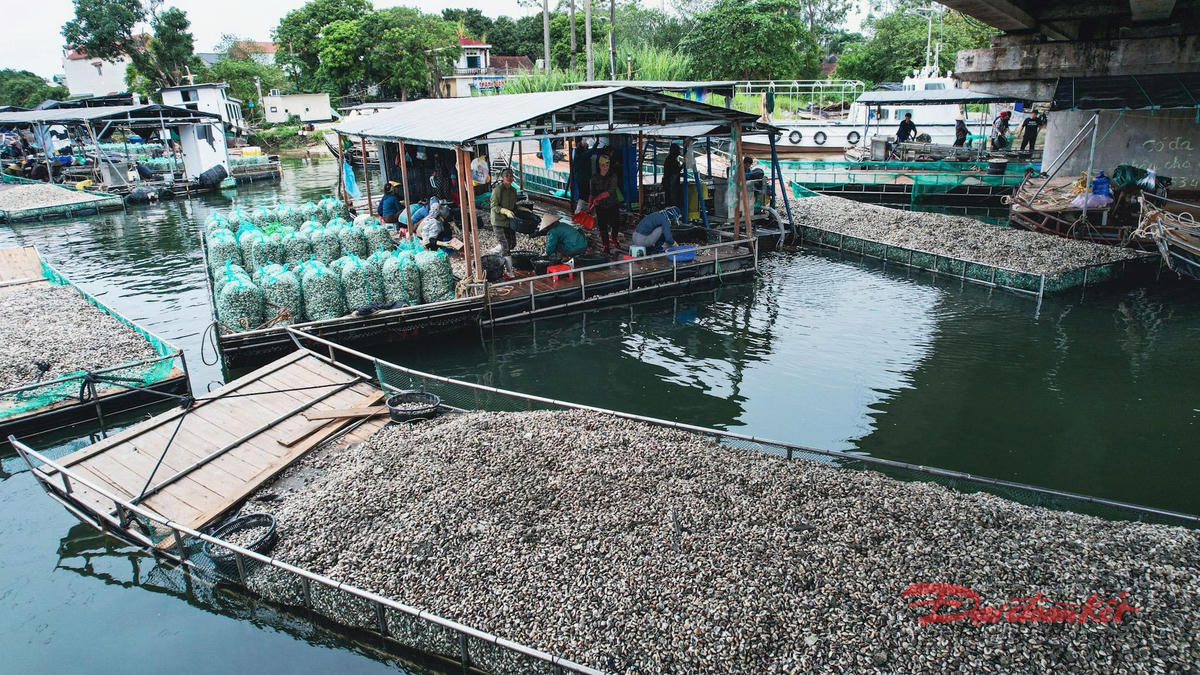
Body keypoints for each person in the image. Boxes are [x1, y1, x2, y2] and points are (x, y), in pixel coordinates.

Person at [587, 154, 622, 253]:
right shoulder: (594, 178)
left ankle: (614, 238)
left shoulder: (613, 176)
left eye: (607, 165)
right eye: (603, 165)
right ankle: (605, 245)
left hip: (612, 203)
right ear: (599, 165)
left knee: (615, 223)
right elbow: (592, 193)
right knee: (602, 225)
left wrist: (597, 198)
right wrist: (589, 204)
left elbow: (610, 191)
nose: (605, 167)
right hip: (600, 206)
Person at [489, 168, 519, 255]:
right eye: (507, 176)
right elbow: (493, 206)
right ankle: (507, 266)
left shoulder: (513, 190)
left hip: (508, 221)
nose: (509, 178)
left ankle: (498, 251)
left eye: (511, 176)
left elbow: (514, 205)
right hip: (498, 221)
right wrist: (504, 211)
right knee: (505, 247)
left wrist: (521, 208)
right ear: (503, 178)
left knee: (512, 244)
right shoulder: (498, 189)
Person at [662, 142, 683, 211]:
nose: (679, 152)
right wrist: (683, 165)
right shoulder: (671, 159)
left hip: (669, 183)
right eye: (678, 150)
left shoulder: (670, 158)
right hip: (671, 183)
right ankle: (673, 213)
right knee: (673, 199)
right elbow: (675, 171)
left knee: (671, 199)